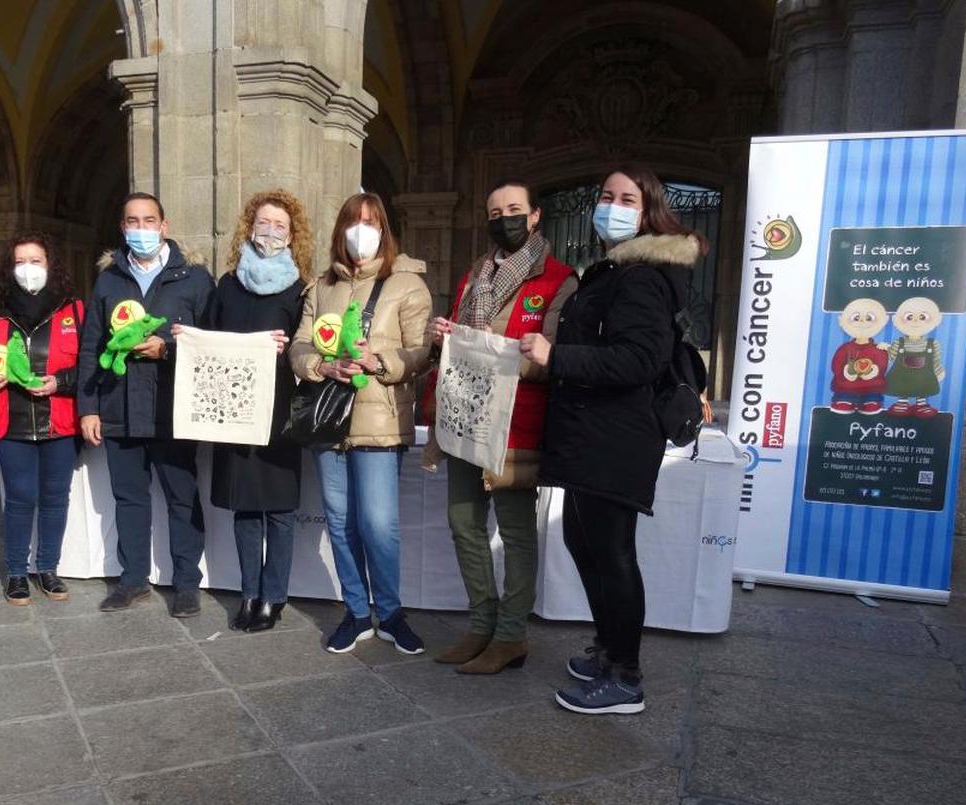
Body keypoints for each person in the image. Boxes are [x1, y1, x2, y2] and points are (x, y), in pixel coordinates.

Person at [520, 163, 706, 715]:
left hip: (617, 436)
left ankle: (625, 676)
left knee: (613, 552)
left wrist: (557, 357)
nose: (614, 205)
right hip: (591, 433)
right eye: (606, 195)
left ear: (648, 212)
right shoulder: (614, 271)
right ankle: (607, 647)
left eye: (628, 198)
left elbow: (639, 359)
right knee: (584, 543)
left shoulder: (643, 275)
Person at [428, 179, 577, 674]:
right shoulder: (476, 276)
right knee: (463, 523)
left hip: (516, 425)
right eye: (495, 212)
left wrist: (504, 352)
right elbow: (462, 336)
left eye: (514, 209)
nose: (504, 218)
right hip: (465, 418)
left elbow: (554, 357)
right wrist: (445, 337)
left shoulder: (558, 279)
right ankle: (481, 623)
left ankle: (511, 635)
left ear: (535, 216)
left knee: (514, 532)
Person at [289, 193, 433, 655]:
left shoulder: (407, 284)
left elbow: (421, 352)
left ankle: (390, 612)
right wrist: (320, 366)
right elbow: (299, 344)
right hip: (330, 421)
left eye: (371, 222)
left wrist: (380, 361)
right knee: (339, 520)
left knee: (378, 523)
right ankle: (356, 611)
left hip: (380, 419)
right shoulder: (320, 286)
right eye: (353, 222)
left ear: (384, 230)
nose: (361, 231)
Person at [77, 193, 215, 618]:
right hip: (119, 406)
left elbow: (209, 343)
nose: (141, 228)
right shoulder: (109, 280)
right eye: (133, 221)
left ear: (164, 225)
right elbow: (90, 346)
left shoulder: (193, 278)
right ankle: (133, 580)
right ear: (122, 228)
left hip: (172, 408)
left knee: (181, 497)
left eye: (149, 220)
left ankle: (187, 584)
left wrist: (167, 349)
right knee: (129, 498)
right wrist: (88, 407)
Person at [199, 190, 309, 632]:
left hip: (280, 411)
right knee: (246, 508)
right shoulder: (228, 284)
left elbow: (309, 345)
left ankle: (274, 596)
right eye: (263, 223)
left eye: (280, 225)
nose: (270, 231)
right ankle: (249, 594)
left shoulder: (302, 289)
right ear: (250, 228)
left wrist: (289, 349)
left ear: (292, 234)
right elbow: (209, 337)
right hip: (234, 409)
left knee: (279, 510)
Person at [0, 233, 83, 605]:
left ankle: (48, 569)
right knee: (20, 498)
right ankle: (17, 573)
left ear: (50, 266)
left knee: (55, 498)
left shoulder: (74, 311)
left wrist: (61, 382)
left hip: (60, 421)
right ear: (9, 268)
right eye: (21, 261)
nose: (28, 269)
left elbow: (90, 368)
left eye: (36, 261)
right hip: (11, 422)